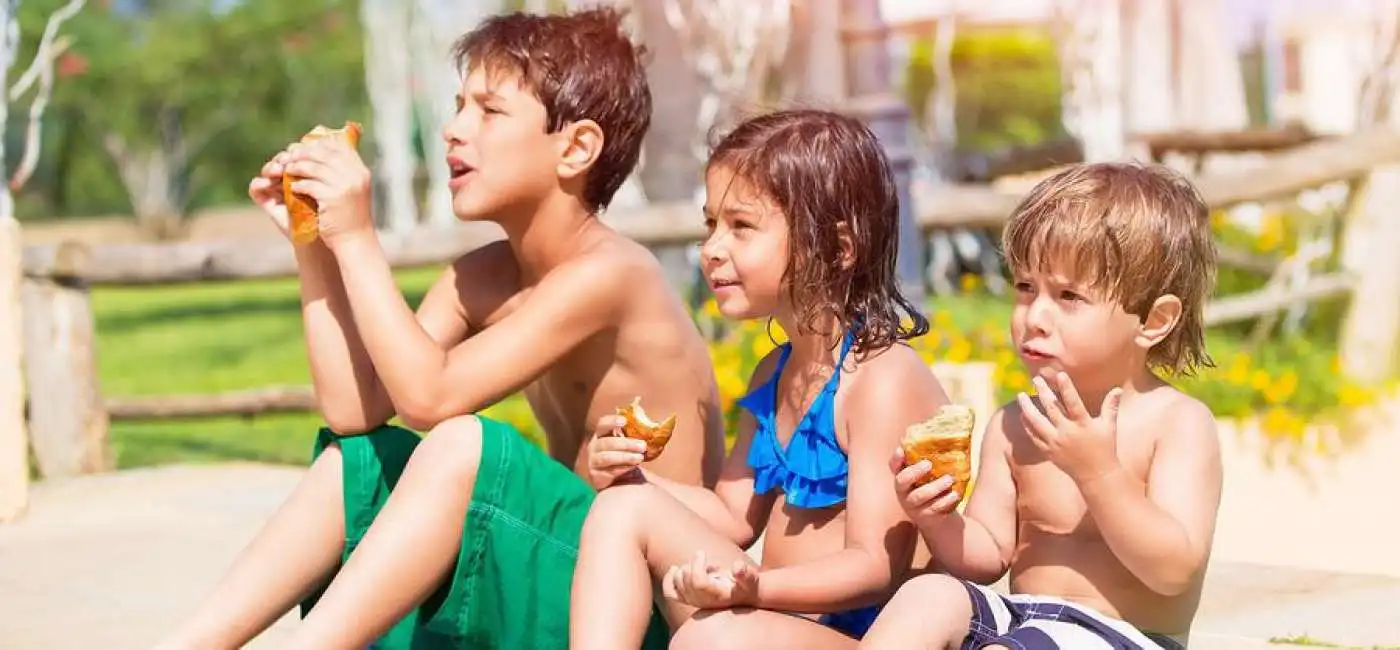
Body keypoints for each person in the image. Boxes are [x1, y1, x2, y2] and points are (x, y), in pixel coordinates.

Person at [156, 8, 725, 650]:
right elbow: (358, 408)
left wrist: (359, 236)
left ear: (576, 148)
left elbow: (430, 400)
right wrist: (318, 245)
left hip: (635, 602)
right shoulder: (481, 276)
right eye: (457, 106)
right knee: (360, 461)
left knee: (465, 446)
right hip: (566, 564)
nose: (454, 130)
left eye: (489, 111)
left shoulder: (611, 273)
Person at [569, 108, 953, 650]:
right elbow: (732, 518)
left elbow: (874, 568)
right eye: (711, 224)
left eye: (741, 226)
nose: (711, 248)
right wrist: (634, 476)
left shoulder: (880, 379)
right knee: (622, 507)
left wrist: (753, 589)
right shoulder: (775, 371)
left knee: (713, 638)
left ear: (839, 248)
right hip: (784, 624)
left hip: (870, 638)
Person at [860, 162, 1223, 650]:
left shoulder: (1175, 423)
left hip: (1127, 638)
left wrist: (1099, 474)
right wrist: (938, 519)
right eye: (1026, 288)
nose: (1035, 317)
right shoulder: (1014, 424)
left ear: (1153, 321)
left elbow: (1173, 570)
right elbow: (988, 554)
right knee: (928, 594)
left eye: (1069, 296)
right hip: (1022, 622)